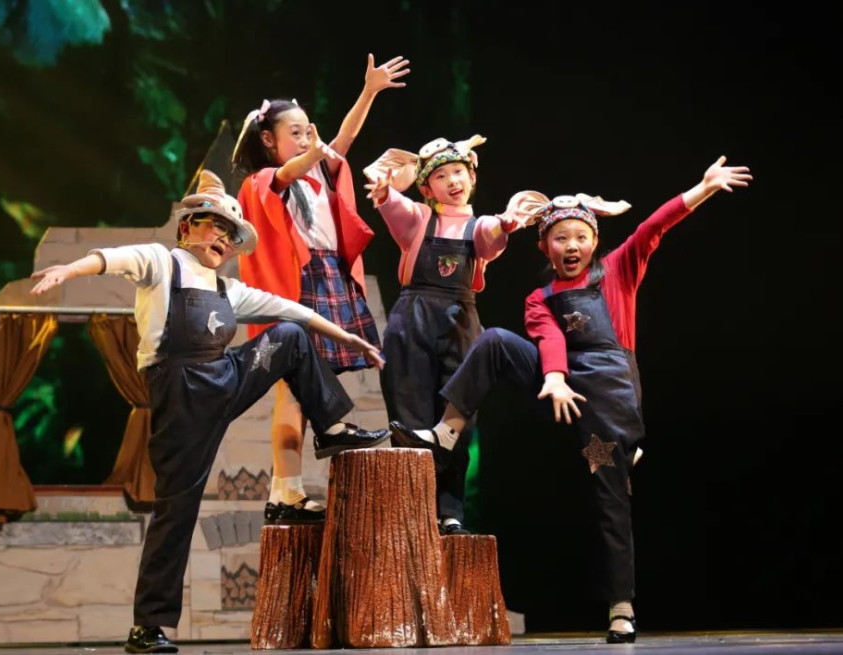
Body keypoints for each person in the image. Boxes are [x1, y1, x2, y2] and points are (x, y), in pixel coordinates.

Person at [391, 156, 751, 643]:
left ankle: (621, 607)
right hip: (557, 391)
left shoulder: (618, 271)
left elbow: (653, 227)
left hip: (608, 399)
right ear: (545, 245)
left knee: (609, 498)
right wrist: (556, 377)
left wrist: (702, 189)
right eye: (560, 238)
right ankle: (446, 430)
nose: (572, 245)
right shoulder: (539, 298)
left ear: (594, 241)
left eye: (580, 236)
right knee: (494, 341)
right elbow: (549, 339)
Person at [30, 170, 390, 653]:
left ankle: (332, 428)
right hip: (180, 395)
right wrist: (68, 271)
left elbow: (293, 310)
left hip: (226, 378)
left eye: (231, 232)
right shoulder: (161, 262)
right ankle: (147, 627)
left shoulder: (227, 290)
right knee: (176, 511)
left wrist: (347, 337)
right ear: (187, 227)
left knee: (289, 335)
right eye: (215, 225)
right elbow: (109, 259)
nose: (224, 237)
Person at [231, 54, 409, 524]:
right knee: (292, 391)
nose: (308, 138)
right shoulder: (263, 180)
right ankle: (287, 491)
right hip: (299, 282)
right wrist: (316, 150)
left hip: (329, 275)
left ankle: (284, 492)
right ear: (267, 140)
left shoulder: (319, 173)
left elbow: (342, 141)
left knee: (304, 388)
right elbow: (287, 174)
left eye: (309, 130)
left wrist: (368, 92)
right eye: (297, 132)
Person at [362, 135, 519, 534]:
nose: (453, 181)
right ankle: (411, 511)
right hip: (413, 315)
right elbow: (392, 204)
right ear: (427, 188)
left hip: (460, 321)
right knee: (409, 416)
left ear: (472, 178)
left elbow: (490, 237)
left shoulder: (479, 225)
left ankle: (450, 511)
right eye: (442, 175)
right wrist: (385, 191)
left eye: (459, 172)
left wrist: (506, 223)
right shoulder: (419, 218)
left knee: (457, 417)